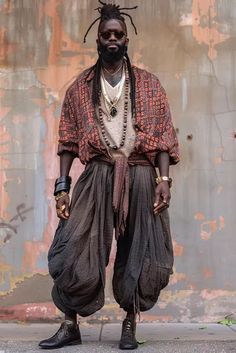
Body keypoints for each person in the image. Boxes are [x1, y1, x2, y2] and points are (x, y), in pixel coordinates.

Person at [39, 1, 179, 350]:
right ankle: (69, 324)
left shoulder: (149, 84)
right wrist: (62, 189)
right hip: (98, 172)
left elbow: (162, 137)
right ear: (97, 40)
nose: (112, 39)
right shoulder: (79, 88)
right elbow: (68, 142)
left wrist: (163, 181)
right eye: (106, 34)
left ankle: (129, 325)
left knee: (141, 253)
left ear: (126, 39)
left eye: (118, 34)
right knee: (74, 246)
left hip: (143, 175)